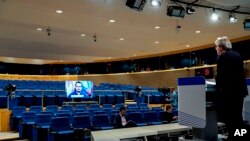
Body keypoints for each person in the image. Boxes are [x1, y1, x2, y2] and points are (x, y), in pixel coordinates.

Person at [215, 36, 248, 140]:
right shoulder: (238, 55)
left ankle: (232, 137)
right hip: (240, 92)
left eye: (216, 47)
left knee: (229, 118)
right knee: (238, 117)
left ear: (221, 47)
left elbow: (220, 78)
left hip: (229, 93)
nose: (216, 49)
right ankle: (240, 136)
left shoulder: (222, 57)